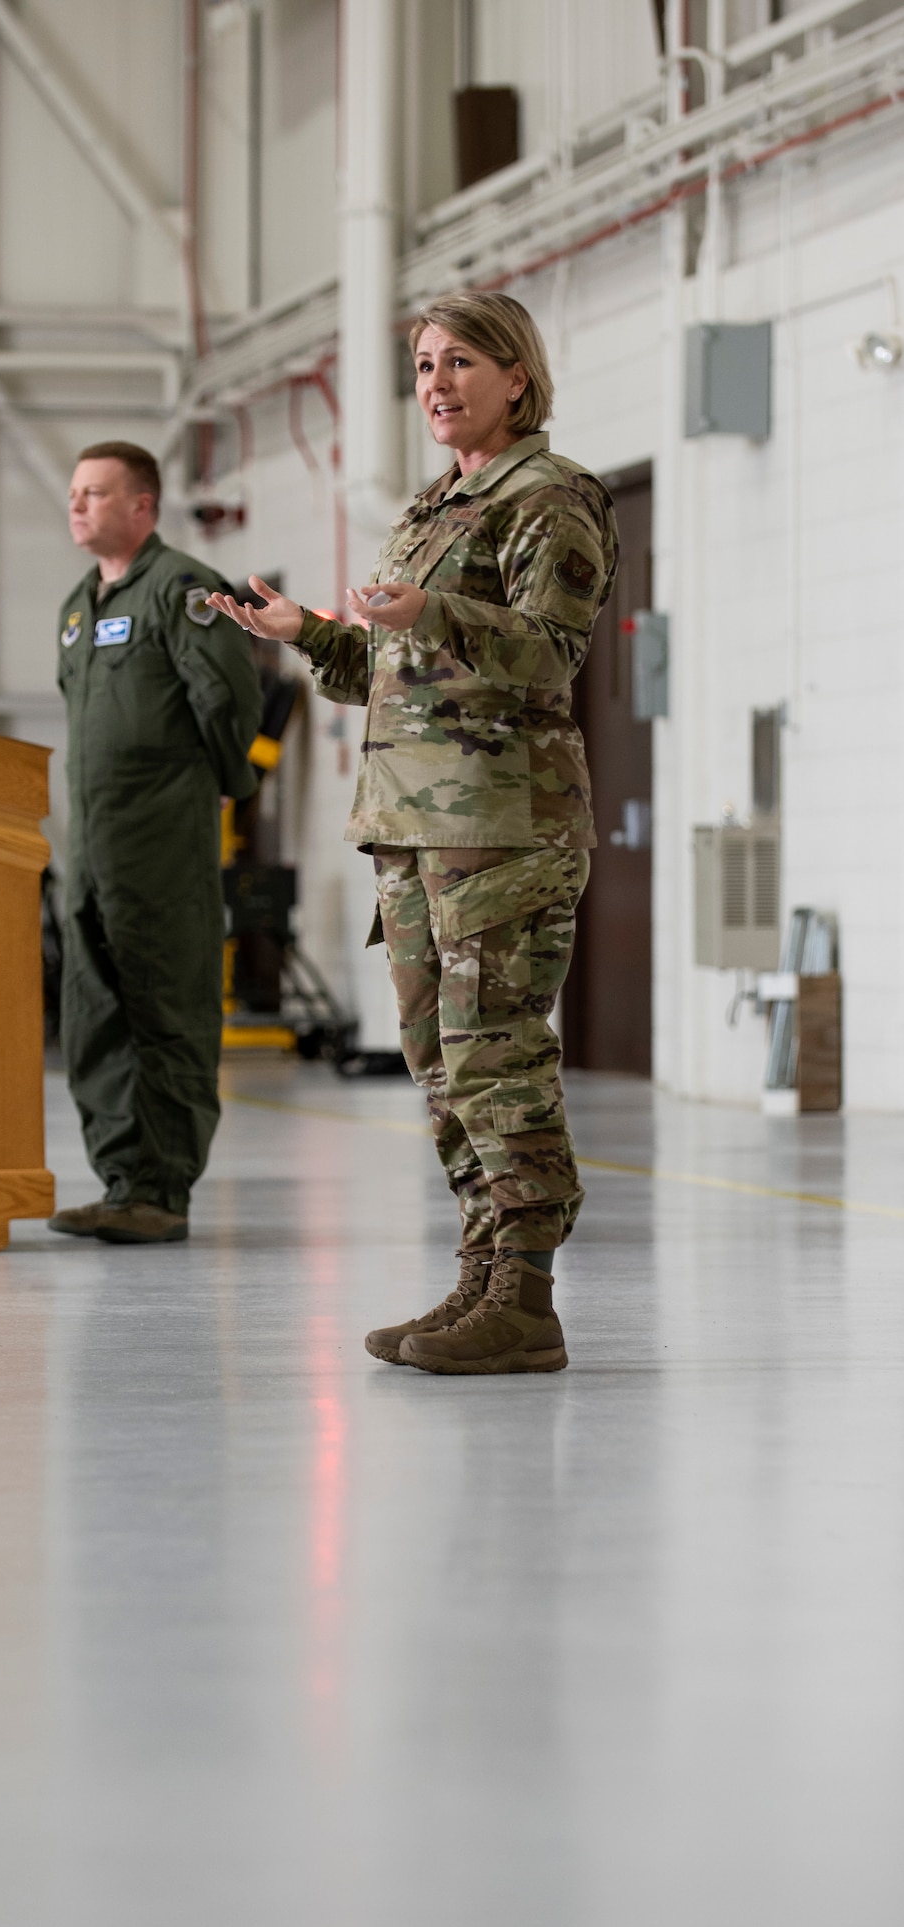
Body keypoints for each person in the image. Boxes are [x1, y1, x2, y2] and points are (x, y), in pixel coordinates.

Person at [210, 293, 617, 1370]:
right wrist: (314, 636)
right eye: (425, 365)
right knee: (442, 1064)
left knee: (497, 1055)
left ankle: (527, 1296)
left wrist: (426, 613)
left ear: (516, 377)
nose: (436, 383)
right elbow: (402, 674)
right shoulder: (434, 506)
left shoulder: (550, 495)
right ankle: (482, 1273)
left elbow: (547, 651)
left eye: (461, 363)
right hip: (414, 824)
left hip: (504, 826)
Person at [49, 442, 262, 1244]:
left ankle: (161, 1190)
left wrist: (220, 785)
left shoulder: (182, 589)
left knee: (166, 1010)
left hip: (161, 841)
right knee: (95, 1014)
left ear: (142, 507)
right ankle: (119, 1182)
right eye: (73, 493)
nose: (76, 506)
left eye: (95, 493)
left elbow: (227, 698)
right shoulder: (77, 606)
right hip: (93, 846)